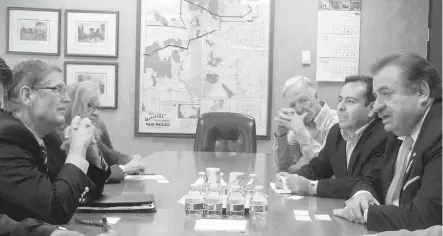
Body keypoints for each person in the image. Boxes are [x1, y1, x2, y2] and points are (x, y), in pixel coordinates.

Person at [333, 54, 442, 231]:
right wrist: (362, 194)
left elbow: (426, 218)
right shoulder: (400, 129)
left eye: (386, 94)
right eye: (376, 96)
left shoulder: (439, 134)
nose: (376, 107)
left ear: (422, 92)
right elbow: (373, 176)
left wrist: (366, 213)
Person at [0, 58, 110, 224]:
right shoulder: (7, 138)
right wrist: (77, 151)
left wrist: (92, 156)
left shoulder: (47, 137)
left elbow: (81, 193)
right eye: (57, 90)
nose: (66, 99)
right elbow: (55, 210)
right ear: (27, 95)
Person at [275, 75, 388, 199]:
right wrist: (292, 178)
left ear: (371, 108)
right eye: (340, 100)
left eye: (350, 101)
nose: (341, 107)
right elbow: (318, 167)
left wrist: (311, 186)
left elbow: (363, 183)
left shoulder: (384, 136)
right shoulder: (337, 131)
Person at [62, 81, 145, 182]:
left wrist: (132, 160)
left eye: (97, 107)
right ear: (74, 106)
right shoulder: (63, 135)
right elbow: (90, 176)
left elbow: (114, 157)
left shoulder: (93, 132)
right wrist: (126, 169)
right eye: (89, 106)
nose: (96, 113)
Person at [273, 76, 338, 172]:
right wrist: (281, 134)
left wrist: (301, 132)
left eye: (303, 100)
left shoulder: (337, 122)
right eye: (292, 105)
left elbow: (329, 168)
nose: (299, 109)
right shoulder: (301, 122)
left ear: (316, 96)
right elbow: (283, 165)